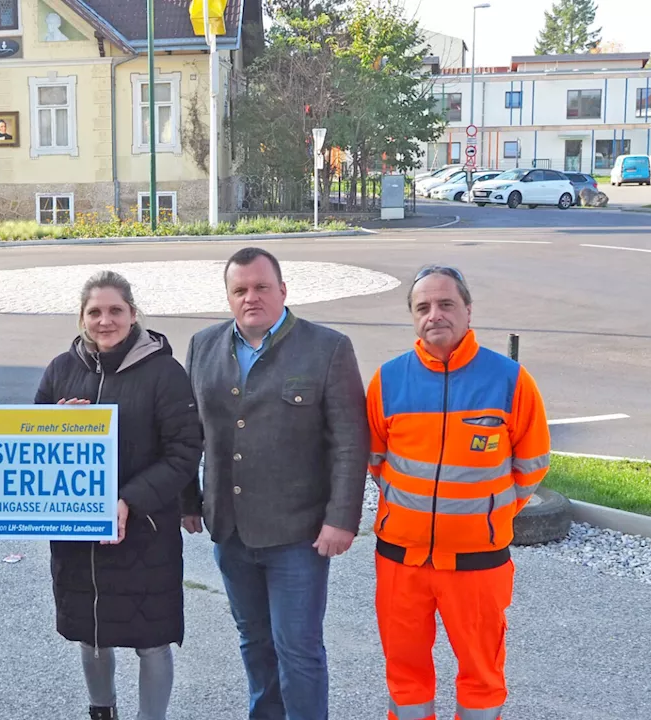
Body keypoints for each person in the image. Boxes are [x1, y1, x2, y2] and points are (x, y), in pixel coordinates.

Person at [181, 247, 369, 720]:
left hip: (297, 535)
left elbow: (350, 442)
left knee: (298, 650)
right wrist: (189, 500)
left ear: (283, 290)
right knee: (255, 643)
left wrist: (341, 519)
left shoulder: (327, 348)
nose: (251, 298)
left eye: (262, 287)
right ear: (228, 297)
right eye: (240, 290)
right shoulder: (202, 346)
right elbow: (188, 433)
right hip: (230, 530)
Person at [367, 265, 550, 720]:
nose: (435, 315)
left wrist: (492, 513)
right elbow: (375, 461)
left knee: (482, 675)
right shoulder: (387, 380)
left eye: (446, 304)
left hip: (478, 563)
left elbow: (532, 463)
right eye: (423, 307)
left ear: (468, 310)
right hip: (400, 560)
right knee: (405, 674)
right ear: (412, 317)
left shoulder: (509, 380)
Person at [34, 271, 203, 720]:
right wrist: (55, 426)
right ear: (82, 317)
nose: (104, 321)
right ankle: (101, 710)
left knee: (152, 640)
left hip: (144, 530)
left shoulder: (165, 373)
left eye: (115, 311)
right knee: (92, 634)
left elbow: (184, 451)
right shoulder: (60, 370)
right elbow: (31, 449)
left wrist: (129, 499)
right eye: (95, 312)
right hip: (80, 535)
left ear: (133, 314)